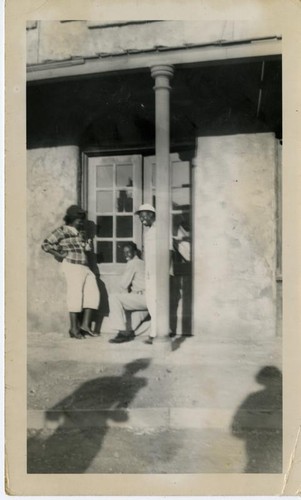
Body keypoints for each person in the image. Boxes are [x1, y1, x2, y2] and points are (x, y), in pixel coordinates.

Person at [41, 205, 100, 339]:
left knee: (93, 294)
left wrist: (86, 246)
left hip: (84, 266)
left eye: (82, 219)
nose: (81, 222)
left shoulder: (81, 233)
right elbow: (45, 244)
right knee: (75, 295)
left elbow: (83, 249)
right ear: (72, 219)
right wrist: (59, 254)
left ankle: (85, 326)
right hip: (72, 266)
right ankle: (74, 329)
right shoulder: (62, 230)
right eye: (79, 220)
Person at [108, 242, 149, 344]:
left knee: (114, 298)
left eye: (128, 252)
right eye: (124, 252)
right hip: (149, 300)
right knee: (131, 326)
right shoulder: (142, 263)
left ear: (135, 252)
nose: (126, 255)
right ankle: (126, 333)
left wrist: (122, 294)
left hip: (143, 297)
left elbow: (123, 284)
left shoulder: (133, 263)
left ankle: (121, 332)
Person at [135, 204, 157, 345]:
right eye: (140, 217)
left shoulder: (159, 230)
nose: (142, 219)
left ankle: (155, 334)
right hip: (149, 273)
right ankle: (155, 332)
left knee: (155, 303)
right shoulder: (149, 232)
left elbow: (168, 251)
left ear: (151, 215)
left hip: (157, 273)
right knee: (151, 303)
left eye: (144, 216)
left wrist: (165, 272)